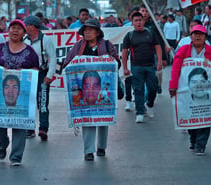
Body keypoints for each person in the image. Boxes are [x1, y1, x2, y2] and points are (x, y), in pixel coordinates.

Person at [63, 18, 120, 161]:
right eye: (85, 30)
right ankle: (88, 151)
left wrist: (108, 60)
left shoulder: (107, 46)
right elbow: (67, 63)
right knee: (87, 119)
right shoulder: (78, 46)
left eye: (90, 30)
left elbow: (116, 63)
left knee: (103, 118)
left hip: (99, 89)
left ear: (97, 32)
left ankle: (101, 147)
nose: (87, 32)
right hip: (85, 89)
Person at [169, 25, 211, 156]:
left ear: (205, 37)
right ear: (191, 37)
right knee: (191, 116)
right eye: (195, 34)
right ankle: (193, 139)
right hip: (187, 90)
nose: (197, 36)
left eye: (201, 34)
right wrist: (173, 85)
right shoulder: (183, 50)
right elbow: (176, 69)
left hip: (205, 91)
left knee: (206, 117)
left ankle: (201, 145)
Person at [0, 19, 39, 166]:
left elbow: (36, 69)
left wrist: (25, 71)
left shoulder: (30, 52)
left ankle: (16, 157)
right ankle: (3, 143)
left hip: (21, 95)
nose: (15, 31)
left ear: (24, 33)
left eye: (19, 29)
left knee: (20, 124)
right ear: (8, 31)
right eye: (12, 28)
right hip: (1, 95)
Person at [122, 11, 163, 123]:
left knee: (153, 88)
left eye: (140, 20)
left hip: (150, 66)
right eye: (136, 21)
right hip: (136, 67)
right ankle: (139, 112)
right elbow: (124, 52)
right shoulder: (129, 36)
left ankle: (149, 104)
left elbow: (158, 47)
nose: (138, 22)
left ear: (143, 21)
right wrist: (125, 68)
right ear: (132, 23)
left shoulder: (150, 33)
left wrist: (159, 61)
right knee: (138, 90)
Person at [24, 15, 57, 140]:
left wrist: (49, 76)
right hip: (27, 75)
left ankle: (43, 128)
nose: (25, 27)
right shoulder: (24, 40)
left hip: (42, 74)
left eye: (27, 25)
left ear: (33, 27)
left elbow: (53, 58)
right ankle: (29, 128)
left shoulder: (45, 40)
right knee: (28, 102)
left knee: (42, 103)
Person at [139, 4, 167, 94]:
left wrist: (163, 58)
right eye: (142, 11)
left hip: (154, 54)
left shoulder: (154, 26)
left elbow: (160, 41)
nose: (144, 13)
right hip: (140, 55)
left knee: (157, 73)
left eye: (146, 11)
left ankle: (158, 85)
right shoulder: (135, 25)